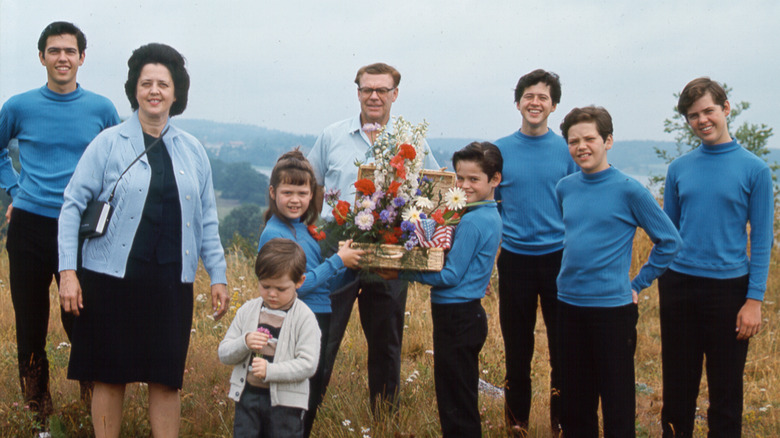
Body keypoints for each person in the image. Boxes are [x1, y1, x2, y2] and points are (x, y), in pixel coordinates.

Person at [57, 43, 228, 438]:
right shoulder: (108, 143)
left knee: (166, 379)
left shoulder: (193, 150)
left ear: (175, 92)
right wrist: (68, 272)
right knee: (109, 376)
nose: (154, 90)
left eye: (163, 84)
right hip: (110, 279)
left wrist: (217, 275)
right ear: (135, 88)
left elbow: (207, 219)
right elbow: (71, 206)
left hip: (170, 282)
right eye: (146, 82)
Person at [0, 21, 120, 429]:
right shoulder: (18, 106)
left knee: (84, 324)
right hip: (30, 226)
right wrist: (15, 191)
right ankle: (39, 421)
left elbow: (118, 166)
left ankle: (93, 413)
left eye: (70, 51)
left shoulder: (102, 109)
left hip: (84, 232)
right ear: (41, 57)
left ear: (82, 58)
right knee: (30, 326)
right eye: (54, 51)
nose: (62, 58)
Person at [306, 62, 439, 411]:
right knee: (322, 336)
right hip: (337, 248)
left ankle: (384, 419)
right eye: (367, 89)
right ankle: (302, 415)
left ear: (395, 94)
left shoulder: (412, 140)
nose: (374, 96)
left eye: (382, 90)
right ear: (358, 92)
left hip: (389, 250)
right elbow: (312, 187)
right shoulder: (332, 136)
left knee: (386, 341)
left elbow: (432, 187)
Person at [555, 106, 681, 437]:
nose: (581, 146)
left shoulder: (629, 189)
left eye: (590, 139)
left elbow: (669, 240)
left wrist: (638, 282)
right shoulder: (565, 187)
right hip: (568, 307)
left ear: (608, 140)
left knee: (617, 403)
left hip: (612, 311)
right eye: (573, 141)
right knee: (574, 403)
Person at [659, 78, 774, 437]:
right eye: (693, 115)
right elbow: (668, 235)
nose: (702, 120)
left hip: (729, 291)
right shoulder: (679, 168)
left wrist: (754, 299)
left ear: (725, 109)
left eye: (708, 110)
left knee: (725, 394)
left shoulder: (755, 170)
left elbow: (764, 239)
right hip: (678, 287)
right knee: (677, 389)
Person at [493, 69, 577, 436]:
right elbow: (488, 204)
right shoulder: (499, 151)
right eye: (529, 96)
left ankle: (560, 423)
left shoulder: (568, 149)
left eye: (543, 97)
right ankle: (517, 424)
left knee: (564, 349)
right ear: (517, 102)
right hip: (515, 261)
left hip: (560, 260)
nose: (535, 102)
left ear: (554, 106)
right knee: (517, 349)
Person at [256, 149, 363, 437]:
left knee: (310, 396)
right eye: (287, 191)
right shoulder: (275, 233)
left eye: (302, 192)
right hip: (293, 321)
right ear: (273, 192)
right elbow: (295, 285)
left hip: (318, 317)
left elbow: (320, 278)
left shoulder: (304, 229)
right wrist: (338, 261)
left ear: (313, 194)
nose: (295, 200)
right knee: (291, 399)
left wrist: (351, 261)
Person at [404, 142, 503, 437]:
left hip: (458, 317)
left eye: (474, 179)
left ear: (494, 180)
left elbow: (450, 276)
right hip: (463, 315)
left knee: (456, 403)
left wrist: (407, 272)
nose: (465, 185)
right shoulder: (483, 214)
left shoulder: (474, 221)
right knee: (457, 396)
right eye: (460, 179)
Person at [219, 238, 321, 438]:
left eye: (281, 289)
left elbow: (308, 364)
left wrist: (270, 371)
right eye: (265, 286)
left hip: (286, 404)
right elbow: (224, 353)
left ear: (299, 281)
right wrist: (245, 342)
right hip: (247, 397)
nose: (272, 294)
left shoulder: (305, 318)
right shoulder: (248, 310)